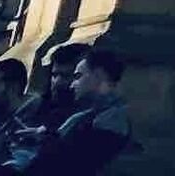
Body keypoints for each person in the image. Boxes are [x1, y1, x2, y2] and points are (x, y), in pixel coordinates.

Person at [19, 45, 129, 176]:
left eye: (77, 76)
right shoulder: (86, 115)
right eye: (54, 75)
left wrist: (46, 140)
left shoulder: (109, 121)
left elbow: (76, 162)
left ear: (98, 76)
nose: (72, 84)